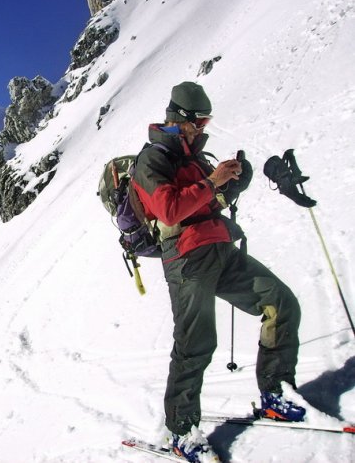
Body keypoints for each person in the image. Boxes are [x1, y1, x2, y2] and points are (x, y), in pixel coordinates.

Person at [131, 82, 305, 463]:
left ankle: (275, 393)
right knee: (195, 344)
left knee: (280, 301)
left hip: (221, 250)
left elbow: (214, 200)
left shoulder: (195, 158)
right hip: (187, 261)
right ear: (182, 120)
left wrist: (232, 181)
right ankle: (181, 431)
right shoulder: (151, 160)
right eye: (202, 120)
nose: (205, 125)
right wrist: (212, 181)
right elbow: (170, 210)